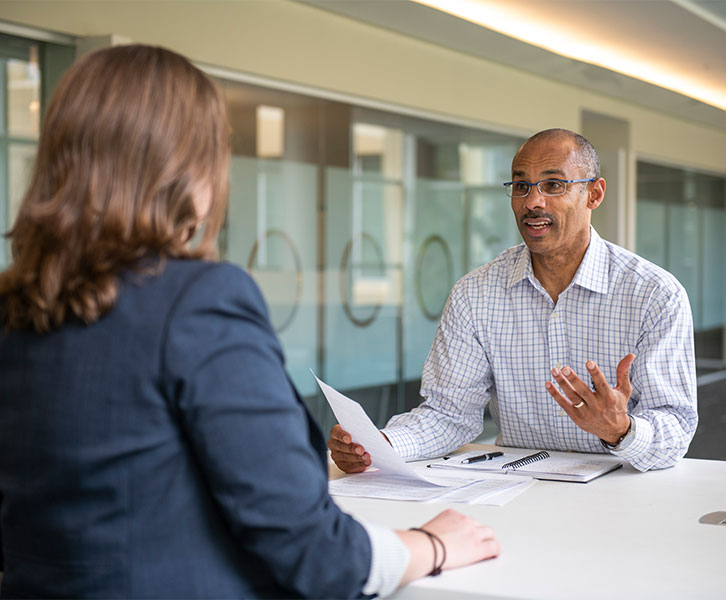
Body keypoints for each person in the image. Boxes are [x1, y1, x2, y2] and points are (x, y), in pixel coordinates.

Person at [0, 45, 500, 599]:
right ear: (188, 172)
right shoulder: (196, 301)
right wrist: (429, 545)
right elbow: (314, 553)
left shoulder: (17, 307)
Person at [329, 128, 697, 474]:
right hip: (517, 494)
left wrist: (622, 429)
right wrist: (379, 445)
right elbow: (449, 415)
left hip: (626, 494)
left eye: (553, 185)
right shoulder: (476, 294)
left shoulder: (654, 295)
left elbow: (676, 426)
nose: (532, 202)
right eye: (521, 186)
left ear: (594, 194)